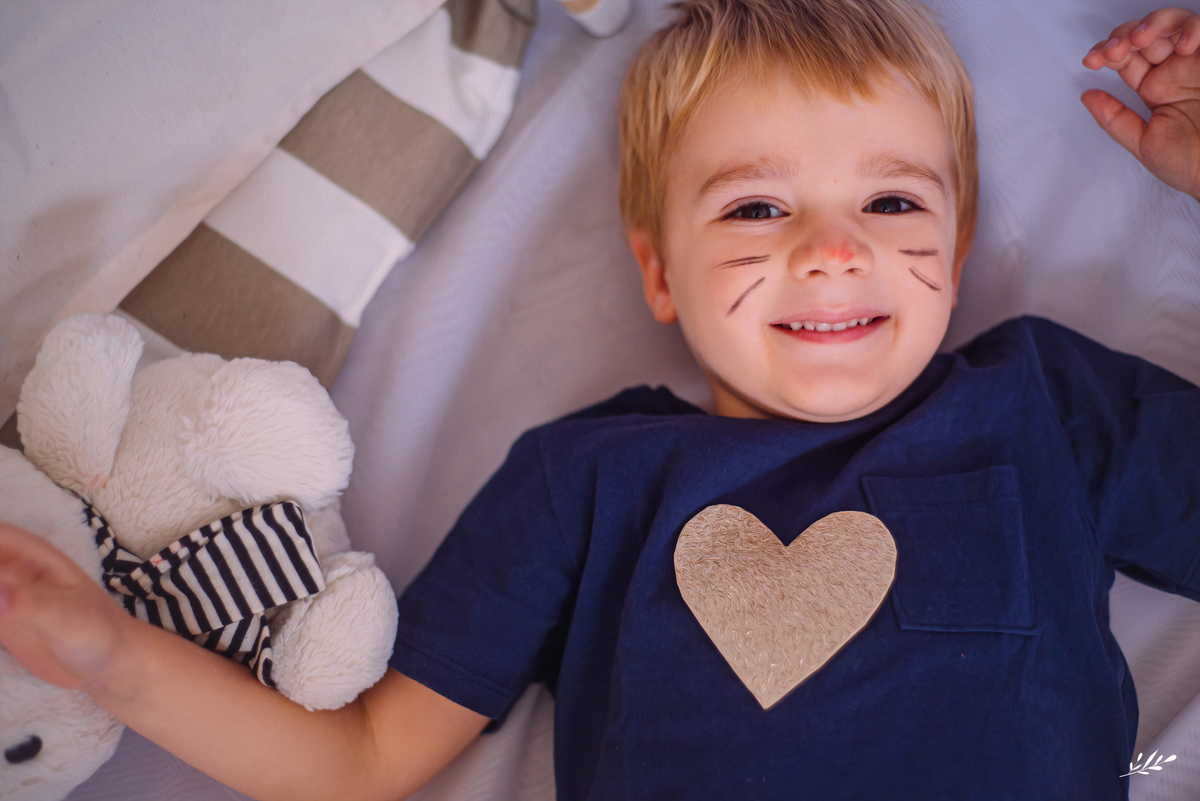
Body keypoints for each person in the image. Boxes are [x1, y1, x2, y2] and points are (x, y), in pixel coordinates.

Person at [2, 1, 1199, 798]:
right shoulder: (588, 476)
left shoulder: (1047, 406)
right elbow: (363, 761)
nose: (835, 250)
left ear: (963, 232)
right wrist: (114, 658)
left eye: (892, 205)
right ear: (658, 271)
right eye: (755, 208)